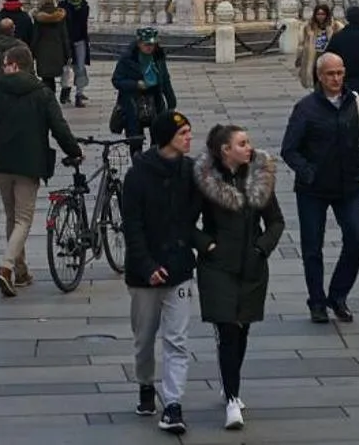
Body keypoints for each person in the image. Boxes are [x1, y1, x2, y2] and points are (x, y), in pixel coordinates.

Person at [194, 123, 284, 433]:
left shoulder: (259, 179)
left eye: (248, 142)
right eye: (242, 143)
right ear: (225, 150)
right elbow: (185, 221)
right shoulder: (206, 182)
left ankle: (229, 382)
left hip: (252, 265)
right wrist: (207, 244)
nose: (250, 147)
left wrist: (261, 249)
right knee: (227, 331)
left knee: (242, 327)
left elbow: (275, 222)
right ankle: (232, 398)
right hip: (217, 265)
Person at [0, 41, 81, 298]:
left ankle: (20, 271)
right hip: (30, 164)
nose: (2, 69)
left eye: (5, 64)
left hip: (2, 164)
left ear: (15, 65)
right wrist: (74, 151)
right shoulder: (42, 93)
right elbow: (59, 128)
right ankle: (7, 267)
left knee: (12, 217)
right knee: (23, 219)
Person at [121, 109, 203, 435]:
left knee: (177, 340)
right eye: (183, 134)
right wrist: (147, 267)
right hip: (144, 274)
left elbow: (200, 213)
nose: (189, 138)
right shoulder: (138, 175)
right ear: (167, 138)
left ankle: (172, 403)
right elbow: (132, 226)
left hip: (180, 268)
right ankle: (145, 384)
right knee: (144, 340)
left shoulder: (192, 171)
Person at [281, 52, 359, 326]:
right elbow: (289, 150)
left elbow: (358, 140)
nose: (336, 78)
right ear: (319, 76)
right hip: (313, 189)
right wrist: (309, 172)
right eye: (330, 74)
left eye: (340, 73)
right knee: (312, 247)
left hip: (348, 184)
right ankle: (317, 301)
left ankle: (338, 295)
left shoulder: (354, 101)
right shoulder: (306, 108)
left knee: (355, 240)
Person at [112, 26, 178, 154]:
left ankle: (153, 165)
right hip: (133, 104)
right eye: (146, 44)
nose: (149, 47)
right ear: (139, 43)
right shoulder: (128, 58)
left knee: (158, 138)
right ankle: (138, 166)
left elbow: (165, 80)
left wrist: (171, 103)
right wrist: (136, 84)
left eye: (152, 44)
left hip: (155, 101)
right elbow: (117, 81)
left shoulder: (158, 57)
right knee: (136, 140)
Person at [324, 5, 359, 142]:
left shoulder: (339, 37)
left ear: (347, 18)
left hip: (344, 83)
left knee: (344, 120)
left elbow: (327, 58)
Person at [61, 0, 92, 107]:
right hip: (67, 40)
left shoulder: (84, 6)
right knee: (66, 68)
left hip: (80, 40)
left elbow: (83, 26)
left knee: (80, 67)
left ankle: (79, 94)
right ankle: (65, 91)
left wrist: (86, 41)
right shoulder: (63, 6)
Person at [293, 4, 334, 90]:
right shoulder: (308, 27)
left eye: (323, 14)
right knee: (315, 78)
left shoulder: (333, 26)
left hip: (328, 57)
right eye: (318, 14)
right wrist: (299, 58)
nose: (320, 16)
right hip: (314, 56)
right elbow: (301, 44)